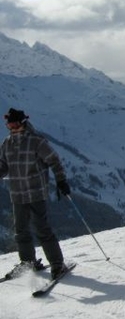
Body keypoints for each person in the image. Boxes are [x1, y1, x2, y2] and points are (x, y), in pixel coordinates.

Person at [0, 108, 71, 279]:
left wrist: (61, 180)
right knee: (21, 231)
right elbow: (3, 166)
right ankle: (28, 262)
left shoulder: (36, 142)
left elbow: (54, 160)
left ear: (23, 123)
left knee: (42, 229)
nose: (13, 128)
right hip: (17, 194)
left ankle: (57, 264)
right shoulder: (7, 143)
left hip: (36, 192)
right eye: (10, 124)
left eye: (16, 124)